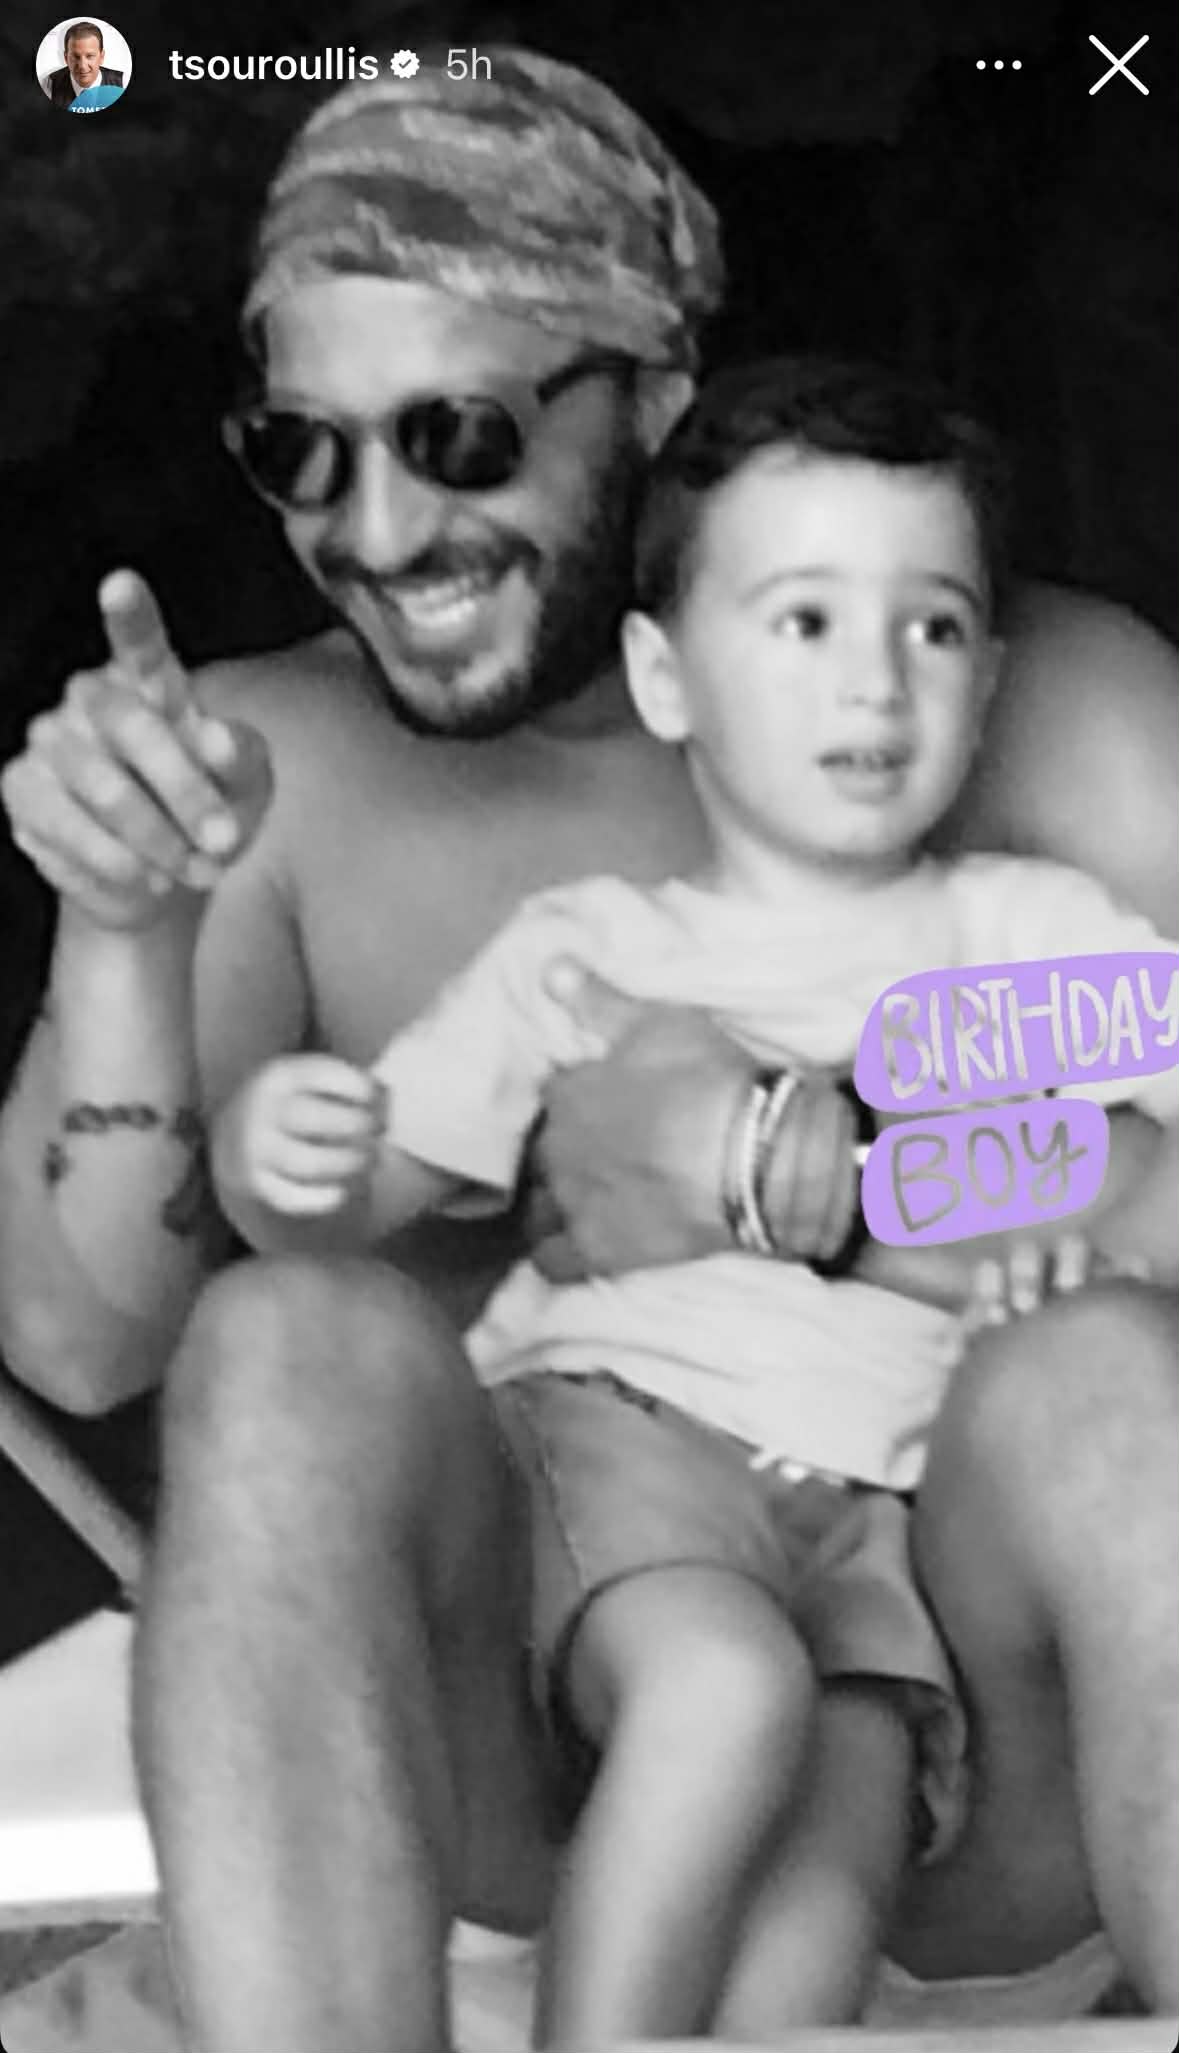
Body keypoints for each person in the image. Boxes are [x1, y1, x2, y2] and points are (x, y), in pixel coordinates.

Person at [0, 50, 1176, 2053]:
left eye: (456, 437)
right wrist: (126, 932)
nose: (381, 531)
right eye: (300, 452)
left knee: (1099, 1385)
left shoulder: (1054, 721)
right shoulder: (271, 772)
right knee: (283, 1341)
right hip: (509, 1834)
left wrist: (802, 1176)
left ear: (653, 396)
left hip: (997, 1818)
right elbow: (82, 1341)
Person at [208, 355, 1179, 2044]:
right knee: (720, 1691)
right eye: (802, 621)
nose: (872, 680)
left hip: (875, 1517)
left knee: (827, 1866)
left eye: (931, 626)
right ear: (664, 676)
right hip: (626, 1437)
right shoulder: (596, 954)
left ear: (987, 677)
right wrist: (266, 1152)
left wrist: (1067, 1237)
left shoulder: (1018, 946)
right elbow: (350, 1201)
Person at [43, 21, 124, 107]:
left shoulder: (123, 83)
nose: (82, 66)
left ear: (101, 57)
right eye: (75, 56)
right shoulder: (50, 85)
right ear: (66, 58)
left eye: (90, 56)